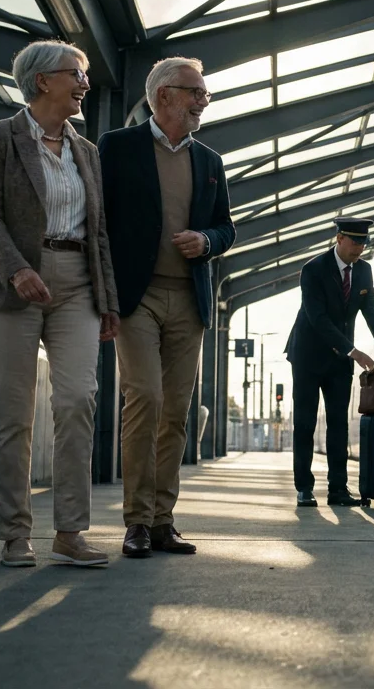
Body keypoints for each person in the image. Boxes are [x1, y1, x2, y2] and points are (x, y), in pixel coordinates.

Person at [0, 40, 119, 568]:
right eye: (76, 74)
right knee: (14, 414)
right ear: (41, 82)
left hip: (78, 283)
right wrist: (18, 268)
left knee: (77, 400)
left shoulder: (88, 151)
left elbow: (98, 232)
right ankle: (14, 533)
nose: (84, 84)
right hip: (12, 285)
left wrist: (110, 300)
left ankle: (71, 532)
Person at [100, 57, 235, 559]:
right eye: (196, 93)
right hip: (138, 297)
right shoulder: (117, 147)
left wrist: (207, 239)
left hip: (190, 300)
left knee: (176, 412)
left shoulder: (210, 161)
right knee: (146, 399)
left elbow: (227, 227)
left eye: (204, 94)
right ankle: (135, 520)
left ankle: (162, 521)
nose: (204, 102)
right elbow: (98, 221)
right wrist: (102, 294)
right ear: (163, 96)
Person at [284, 218, 374, 508]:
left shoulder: (364, 272)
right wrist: (354, 352)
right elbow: (317, 318)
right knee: (305, 422)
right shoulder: (313, 270)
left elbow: (373, 312)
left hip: (340, 361)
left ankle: (338, 489)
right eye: (354, 242)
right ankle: (304, 488)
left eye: (364, 243)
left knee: (338, 423)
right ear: (339, 238)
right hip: (308, 356)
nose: (360, 248)